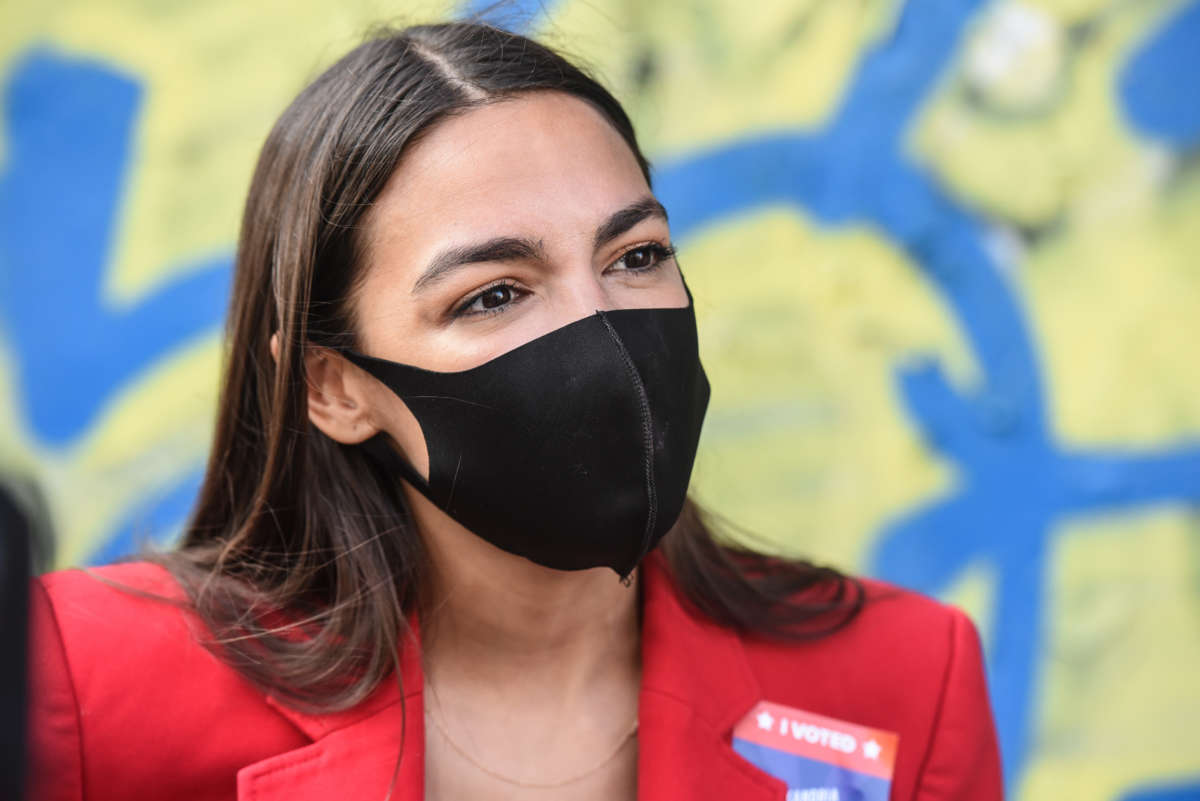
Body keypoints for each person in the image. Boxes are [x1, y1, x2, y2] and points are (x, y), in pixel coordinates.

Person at [26, 20, 1003, 801]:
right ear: (334, 387)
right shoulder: (89, 679)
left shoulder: (902, 680)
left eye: (636, 257)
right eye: (494, 293)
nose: (605, 336)